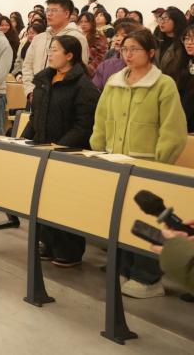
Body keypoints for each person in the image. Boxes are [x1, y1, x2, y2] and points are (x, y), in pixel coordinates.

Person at [92, 28, 188, 298]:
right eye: (124, 49)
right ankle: (123, 267)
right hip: (114, 161)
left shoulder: (163, 84)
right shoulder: (114, 82)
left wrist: (159, 164)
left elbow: (173, 131)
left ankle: (149, 278)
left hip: (148, 166)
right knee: (120, 218)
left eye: (134, 49)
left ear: (151, 52)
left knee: (147, 222)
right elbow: (101, 119)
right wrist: (98, 148)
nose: (128, 54)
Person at [22, 36, 99, 267]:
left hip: (68, 154)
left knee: (66, 202)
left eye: (55, 50)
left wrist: (58, 148)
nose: (50, 54)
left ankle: (69, 250)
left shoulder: (83, 86)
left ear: (70, 55)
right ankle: (48, 242)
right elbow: (35, 116)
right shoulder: (44, 80)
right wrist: (22, 141)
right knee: (43, 199)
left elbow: (84, 125)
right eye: (50, 50)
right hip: (43, 149)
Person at [22, 0, 89, 100]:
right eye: (47, 10)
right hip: (36, 95)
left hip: (62, 98)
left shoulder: (77, 37)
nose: (49, 14)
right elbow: (27, 66)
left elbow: (79, 70)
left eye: (53, 10)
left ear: (66, 14)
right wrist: (30, 91)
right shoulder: (39, 38)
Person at [92, 19, 142, 91]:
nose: (118, 39)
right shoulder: (106, 64)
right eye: (116, 35)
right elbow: (94, 90)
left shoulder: (141, 65)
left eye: (124, 36)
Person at [155, 6, 187, 80]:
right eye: (161, 18)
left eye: (166, 19)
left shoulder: (184, 43)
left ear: (177, 21)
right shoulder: (157, 41)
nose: (162, 22)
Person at [78, 12, 108, 77]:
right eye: (81, 22)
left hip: (91, 71)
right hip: (78, 68)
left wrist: (87, 71)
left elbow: (101, 56)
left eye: (86, 22)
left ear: (92, 23)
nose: (83, 24)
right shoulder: (77, 35)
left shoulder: (98, 36)